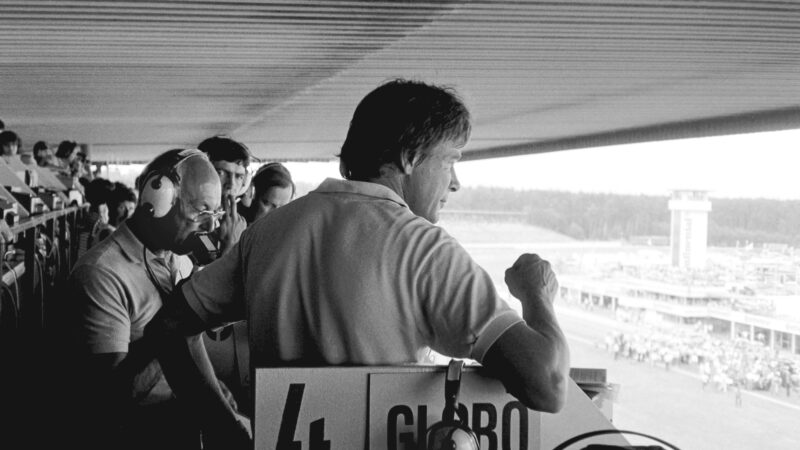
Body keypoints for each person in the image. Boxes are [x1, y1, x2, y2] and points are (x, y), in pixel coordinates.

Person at [148, 79, 570, 427]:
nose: (455, 181)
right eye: (450, 160)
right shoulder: (425, 249)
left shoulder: (269, 231)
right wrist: (536, 295)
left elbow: (168, 326)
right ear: (409, 156)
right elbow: (547, 384)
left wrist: (221, 424)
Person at [66, 149, 247, 449]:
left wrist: (212, 393)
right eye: (202, 212)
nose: (211, 228)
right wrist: (175, 319)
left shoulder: (180, 262)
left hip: (179, 420)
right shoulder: (101, 274)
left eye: (215, 215)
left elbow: (192, 347)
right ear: (158, 198)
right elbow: (108, 402)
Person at [197, 135, 251, 256]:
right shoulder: (189, 224)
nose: (231, 184)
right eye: (221, 173)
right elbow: (213, 270)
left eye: (239, 177)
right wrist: (231, 243)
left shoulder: (237, 224)